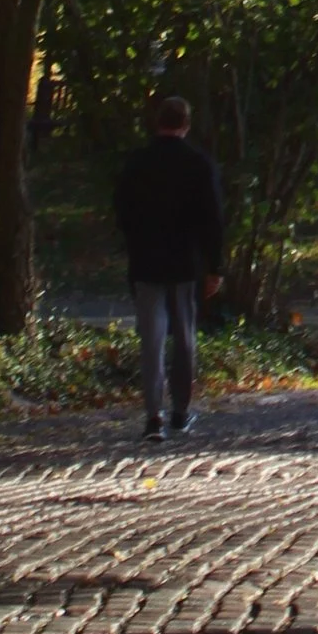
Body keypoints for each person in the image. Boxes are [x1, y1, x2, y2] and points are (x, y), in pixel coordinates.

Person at [113, 91, 225, 440]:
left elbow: (122, 211)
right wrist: (215, 265)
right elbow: (212, 217)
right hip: (183, 263)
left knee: (152, 340)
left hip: (147, 261)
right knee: (185, 340)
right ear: (186, 125)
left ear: (157, 122)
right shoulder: (198, 163)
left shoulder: (137, 162)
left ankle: (153, 416)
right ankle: (180, 410)